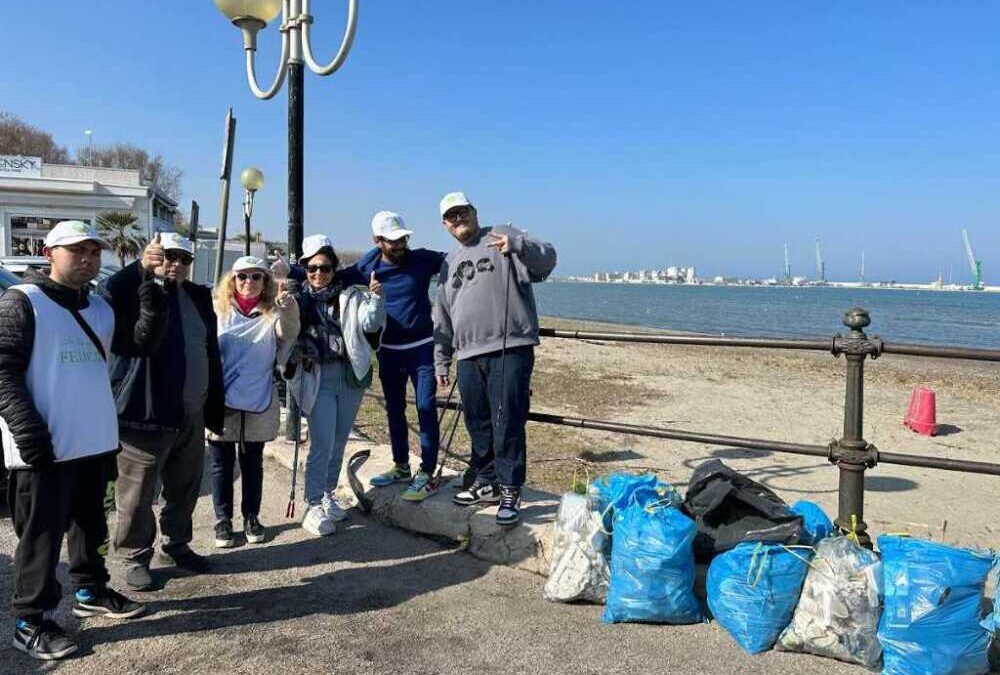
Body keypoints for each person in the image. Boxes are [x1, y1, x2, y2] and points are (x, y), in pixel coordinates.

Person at [0, 221, 161, 660]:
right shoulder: (21, 302)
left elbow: (137, 345)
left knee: (91, 527)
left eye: (94, 251)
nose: (88, 259)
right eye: (77, 251)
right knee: (40, 539)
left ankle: (90, 591)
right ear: (49, 252)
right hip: (43, 449)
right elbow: (3, 371)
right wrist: (27, 431)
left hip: (94, 442)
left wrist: (151, 297)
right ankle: (29, 622)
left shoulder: (100, 309)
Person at [103, 232, 225, 591]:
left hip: (191, 413)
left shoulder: (199, 298)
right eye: (168, 256)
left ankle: (176, 545)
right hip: (146, 413)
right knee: (137, 495)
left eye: (183, 258)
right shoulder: (134, 291)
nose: (175, 264)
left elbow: (208, 351)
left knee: (184, 488)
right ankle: (134, 556)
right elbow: (109, 293)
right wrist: (140, 267)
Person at [433, 192, 557, 525]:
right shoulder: (448, 262)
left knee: (508, 422)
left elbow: (548, 259)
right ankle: (486, 482)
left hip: (510, 347)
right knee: (478, 423)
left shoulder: (501, 234)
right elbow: (443, 315)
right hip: (468, 353)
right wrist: (441, 361)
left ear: (474, 212)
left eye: (463, 212)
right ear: (445, 224)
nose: (458, 219)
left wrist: (518, 246)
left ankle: (510, 489)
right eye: (451, 216)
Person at [288, 234, 385, 536]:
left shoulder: (351, 295)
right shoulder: (296, 299)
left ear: (334, 268)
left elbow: (371, 327)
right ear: (304, 268)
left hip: (350, 376)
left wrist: (376, 300)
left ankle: (327, 494)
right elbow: (284, 333)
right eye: (312, 268)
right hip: (317, 376)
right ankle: (313, 502)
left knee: (339, 440)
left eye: (325, 267)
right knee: (322, 442)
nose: (319, 274)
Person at [351, 212, 448, 501]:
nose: (400, 244)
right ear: (377, 241)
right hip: (389, 353)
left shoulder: (422, 259)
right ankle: (401, 466)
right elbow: (333, 275)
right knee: (394, 410)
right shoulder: (368, 268)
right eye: (392, 241)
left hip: (422, 348)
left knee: (426, 406)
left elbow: (459, 260)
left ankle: (427, 471)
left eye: (403, 238)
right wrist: (288, 271)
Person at [208, 256, 299, 548]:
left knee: (253, 463)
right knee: (221, 464)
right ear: (232, 280)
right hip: (220, 401)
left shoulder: (274, 311)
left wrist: (287, 306)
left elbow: (289, 334)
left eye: (256, 277)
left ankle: (252, 517)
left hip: (258, 397)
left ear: (266, 281)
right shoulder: (216, 310)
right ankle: (223, 520)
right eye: (242, 276)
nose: (249, 282)